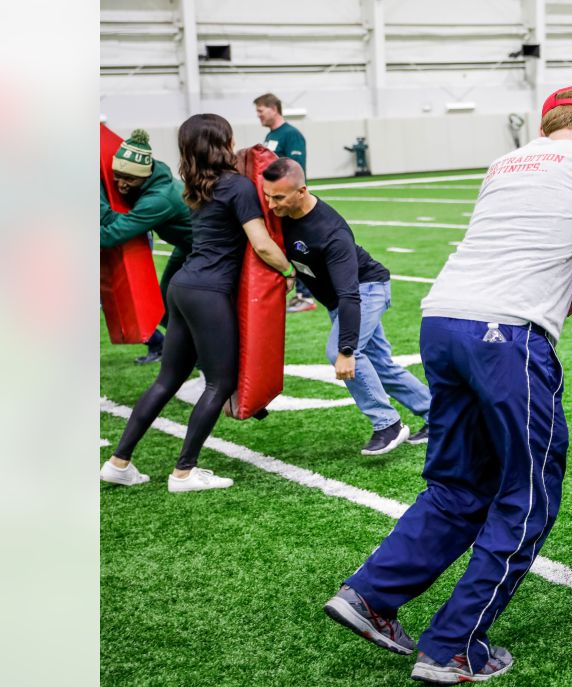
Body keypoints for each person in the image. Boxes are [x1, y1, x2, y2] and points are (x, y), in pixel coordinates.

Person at [323, 87, 572, 685]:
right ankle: (453, 644)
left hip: (440, 321)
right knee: (528, 496)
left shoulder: (506, 164)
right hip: (506, 336)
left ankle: (370, 595)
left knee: (456, 484)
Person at [100, 113, 295, 492]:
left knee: (167, 380)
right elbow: (261, 244)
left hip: (182, 287)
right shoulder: (236, 187)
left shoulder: (195, 185)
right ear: (222, 142)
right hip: (208, 292)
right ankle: (184, 471)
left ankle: (119, 462)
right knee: (220, 383)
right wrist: (289, 272)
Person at [262, 157, 432, 455]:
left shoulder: (331, 233)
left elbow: (351, 295)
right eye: (267, 195)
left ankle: (387, 424)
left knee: (342, 352)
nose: (271, 204)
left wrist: (346, 351)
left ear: (301, 191)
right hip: (340, 299)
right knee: (382, 366)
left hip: (366, 290)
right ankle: (440, 418)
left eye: (278, 197)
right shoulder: (281, 213)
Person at [100, 129, 194, 364]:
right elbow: (118, 222)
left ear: (143, 177)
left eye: (129, 179)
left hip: (203, 250)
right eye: (118, 176)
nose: (121, 184)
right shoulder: (148, 178)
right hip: (185, 246)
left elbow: (112, 235)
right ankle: (188, 351)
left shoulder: (159, 198)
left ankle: (201, 354)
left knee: (194, 308)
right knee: (166, 307)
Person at [253, 92, 316, 313]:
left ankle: (306, 296)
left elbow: (295, 169)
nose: (258, 116)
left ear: (273, 108)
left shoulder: (291, 134)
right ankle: (300, 293)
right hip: (276, 202)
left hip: (289, 203)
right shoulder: (271, 136)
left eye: (260, 110)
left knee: (299, 246)